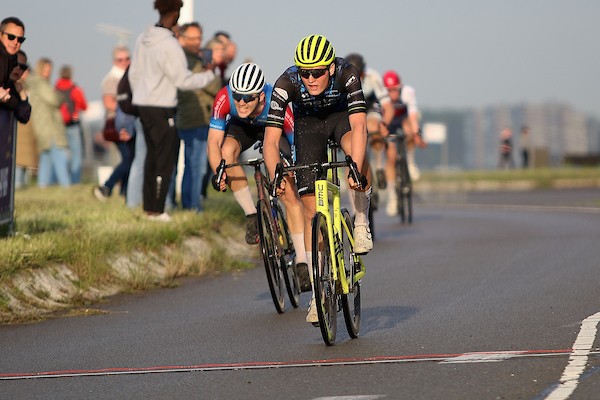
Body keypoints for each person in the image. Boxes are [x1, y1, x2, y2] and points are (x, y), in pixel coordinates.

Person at [263, 34, 372, 323]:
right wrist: (276, 175)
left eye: (318, 72)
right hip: (309, 127)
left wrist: (355, 168)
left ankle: (361, 220)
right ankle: (318, 293)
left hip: (340, 120)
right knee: (312, 212)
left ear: (331, 69)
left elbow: (360, 127)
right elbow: (271, 142)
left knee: (357, 152)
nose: (310, 79)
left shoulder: (347, 74)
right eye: (305, 72)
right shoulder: (286, 83)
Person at [207, 63, 308, 280]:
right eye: (238, 96)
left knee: (288, 191)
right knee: (226, 152)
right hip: (243, 128)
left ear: (261, 96)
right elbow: (213, 143)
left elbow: (294, 143)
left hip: (275, 129)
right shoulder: (224, 98)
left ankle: (301, 259)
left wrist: (291, 170)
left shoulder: (275, 100)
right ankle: (252, 214)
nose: (241, 102)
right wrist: (219, 173)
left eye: (248, 97)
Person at [128, 0, 215, 222]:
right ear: (176, 13)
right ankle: (158, 210)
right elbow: (182, 79)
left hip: (143, 105)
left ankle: (149, 208)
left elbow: (133, 74)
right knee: (165, 161)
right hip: (163, 107)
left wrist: (141, 95)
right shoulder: (169, 44)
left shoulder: (142, 39)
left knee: (150, 158)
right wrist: (209, 75)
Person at [174, 22, 222, 212]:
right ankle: (193, 206)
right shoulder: (189, 61)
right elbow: (212, 86)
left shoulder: (193, 58)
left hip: (193, 118)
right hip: (194, 118)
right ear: (182, 39)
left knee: (192, 165)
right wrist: (209, 70)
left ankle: (190, 204)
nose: (197, 42)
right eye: (193, 38)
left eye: (199, 38)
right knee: (196, 166)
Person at [382, 70, 426, 212]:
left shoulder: (408, 92)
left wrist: (416, 133)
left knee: (410, 130)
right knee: (391, 157)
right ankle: (392, 197)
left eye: (395, 90)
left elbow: (413, 114)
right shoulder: (381, 96)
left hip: (404, 119)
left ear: (400, 87)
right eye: (389, 91)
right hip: (389, 122)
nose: (392, 94)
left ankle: (411, 162)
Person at [28, 57, 71, 188]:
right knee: (60, 156)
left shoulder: (35, 83)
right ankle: (66, 187)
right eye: (46, 68)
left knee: (46, 158)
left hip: (42, 126)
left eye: (50, 69)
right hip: (49, 127)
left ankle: (43, 185)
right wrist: (61, 96)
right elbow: (53, 99)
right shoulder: (40, 83)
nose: (48, 71)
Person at [56, 65, 88, 184]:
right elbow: (84, 106)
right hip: (73, 124)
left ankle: (61, 180)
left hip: (59, 125)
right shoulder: (75, 89)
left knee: (61, 153)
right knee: (76, 154)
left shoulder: (55, 89)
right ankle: (75, 180)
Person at [13, 50, 36, 189]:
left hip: (25, 135)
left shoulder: (24, 88)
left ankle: (19, 185)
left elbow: (25, 114)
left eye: (24, 68)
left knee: (21, 166)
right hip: (18, 136)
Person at [0, 17, 26, 105]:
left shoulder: (12, 61)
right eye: (11, 37)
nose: (15, 42)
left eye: (20, 39)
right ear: (0, 35)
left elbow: (23, 114)